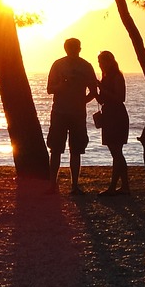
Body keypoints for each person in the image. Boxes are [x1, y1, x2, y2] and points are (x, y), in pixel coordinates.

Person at [46, 38, 99, 195]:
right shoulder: (60, 65)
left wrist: (82, 101)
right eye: (72, 47)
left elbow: (94, 91)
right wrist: (62, 87)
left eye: (74, 47)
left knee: (73, 149)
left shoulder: (84, 66)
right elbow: (50, 89)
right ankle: (56, 185)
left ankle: (71, 185)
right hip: (62, 112)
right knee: (57, 149)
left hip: (72, 113)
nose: (73, 50)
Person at [95, 51, 131, 195]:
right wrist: (95, 89)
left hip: (117, 115)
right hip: (109, 114)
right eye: (99, 62)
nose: (101, 65)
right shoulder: (105, 77)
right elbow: (102, 100)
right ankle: (124, 186)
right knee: (116, 152)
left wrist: (101, 88)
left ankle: (114, 186)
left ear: (110, 62)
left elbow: (120, 98)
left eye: (102, 62)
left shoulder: (117, 76)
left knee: (116, 152)